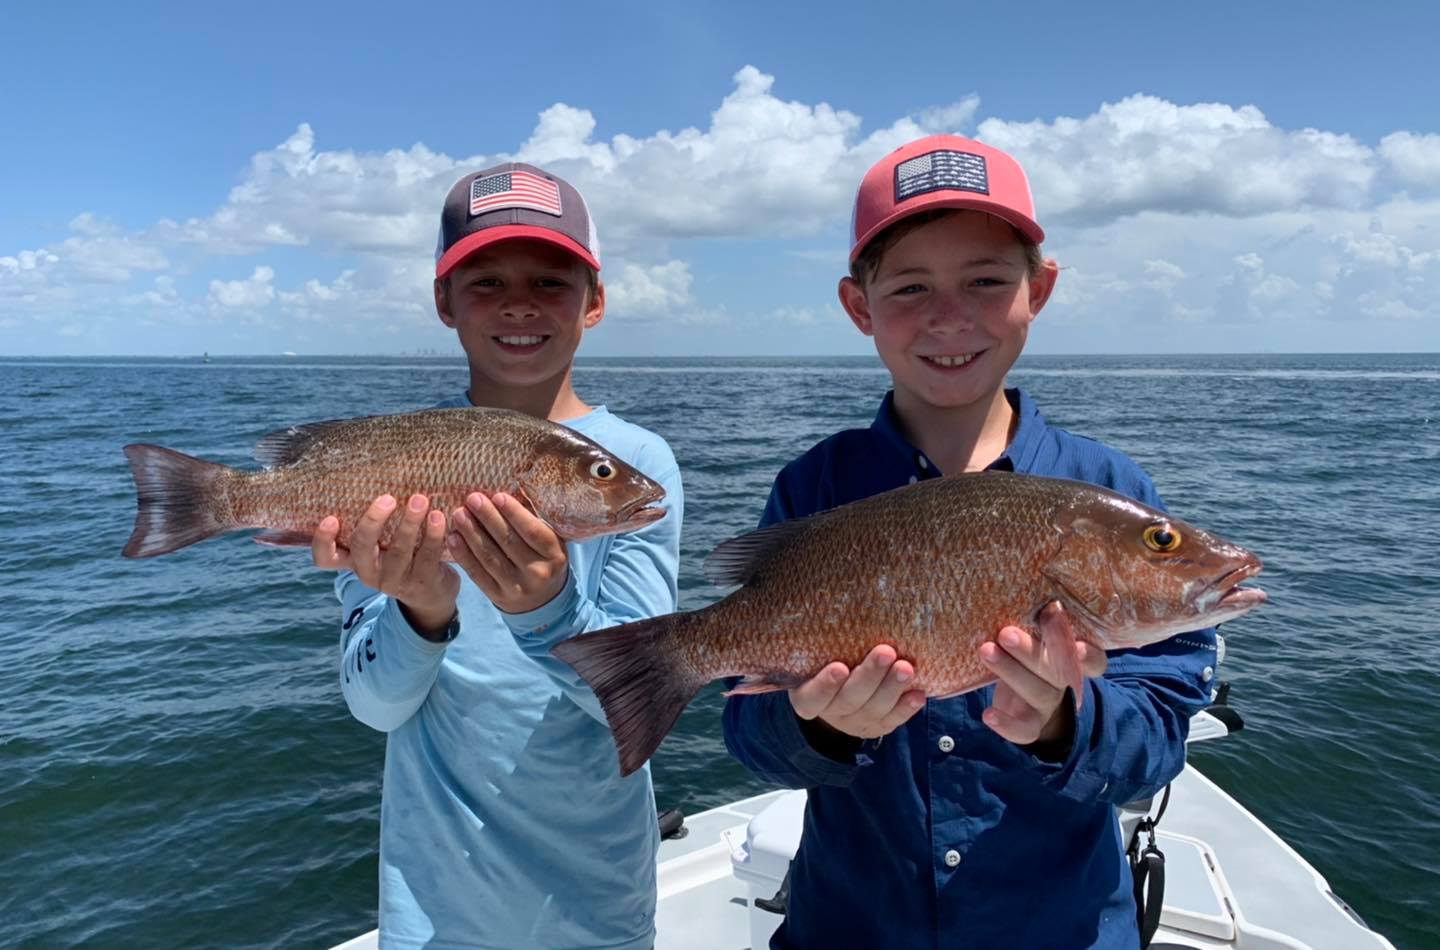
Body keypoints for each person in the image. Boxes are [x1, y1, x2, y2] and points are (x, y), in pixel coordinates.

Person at [721, 135, 1218, 949]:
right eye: (911, 287)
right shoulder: (814, 486)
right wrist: (819, 727)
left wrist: (1067, 720)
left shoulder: (1113, 489)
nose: (950, 317)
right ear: (859, 307)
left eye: (987, 280)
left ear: (1040, 289)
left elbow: (1158, 741)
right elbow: (754, 738)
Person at [312, 163, 683, 950]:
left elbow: (638, 695)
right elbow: (375, 705)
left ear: (596, 300)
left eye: (551, 281)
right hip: (435, 913)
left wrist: (545, 610)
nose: (519, 303)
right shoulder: (394, 461)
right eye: (485, 282)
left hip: (599, 902)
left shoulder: (640, 464)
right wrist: (422, 611)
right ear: (443, 303)